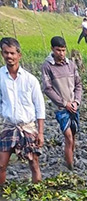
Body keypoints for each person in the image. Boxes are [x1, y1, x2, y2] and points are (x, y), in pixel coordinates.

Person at [0, 37, 45, 185]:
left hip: (27, 126)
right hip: (8, 126)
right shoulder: (0, 77)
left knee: (33, 163)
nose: (9, 56)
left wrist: (40, 133)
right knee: (1, 165)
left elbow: (39, 106)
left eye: (12, 53)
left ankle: (39, 199)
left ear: (19, 55)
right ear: (2, 54)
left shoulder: (30, 80)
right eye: (6, 53)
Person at [41, 36, 83, 170]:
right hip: (61, 108)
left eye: (63, 50)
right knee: (68, 137)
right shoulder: (47, 66)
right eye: (58, 50)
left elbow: (78, 85)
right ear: (52, 49)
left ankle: (71, 162)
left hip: (74, 106)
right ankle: (70, 168)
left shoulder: (71, 65)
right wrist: (65, 103)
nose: (61, 53)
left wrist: (76, 101)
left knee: (74, 136)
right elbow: (48, 89)